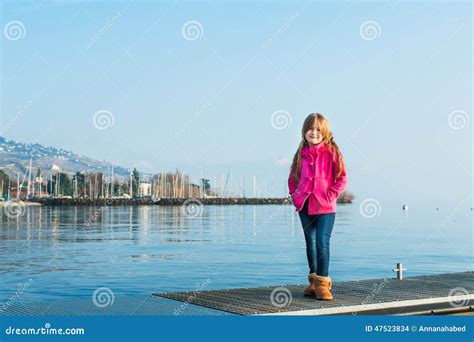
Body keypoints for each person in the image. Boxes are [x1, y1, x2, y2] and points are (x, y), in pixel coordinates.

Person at [288, 113, 348, 300]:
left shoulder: (332, 152)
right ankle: (313, 282)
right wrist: (295, 195)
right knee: (310, 243)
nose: (313, 132)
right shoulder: (300, 154)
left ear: (324, 132)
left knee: (322, 242)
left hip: (325, 207)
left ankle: (323, 284)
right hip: (304, 204)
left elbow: (342, 178)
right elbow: (292, 178)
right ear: (304, 131)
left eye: (317, 129)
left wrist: (330, 195)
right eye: (310, 129)